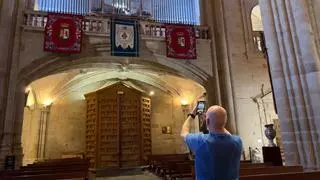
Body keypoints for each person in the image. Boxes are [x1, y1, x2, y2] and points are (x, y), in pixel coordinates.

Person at [181, 105, 243, 180]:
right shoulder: (237, 141)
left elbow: (183, 132)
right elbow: (226, 132)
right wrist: (216, 120)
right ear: (225, 121)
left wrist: (192, 115)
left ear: (207, 121)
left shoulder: (200, 141)